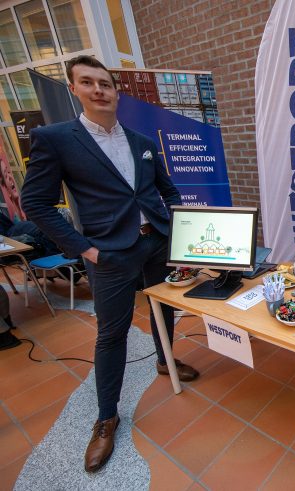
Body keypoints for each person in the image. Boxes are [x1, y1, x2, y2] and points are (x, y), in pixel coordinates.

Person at [21, 55, 199, 473]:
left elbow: (168, 191)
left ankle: (165, 360)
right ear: (74, 89)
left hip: (155, 242)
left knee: (163, 307)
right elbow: (36, 204)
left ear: (116, 92)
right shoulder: (56, 139)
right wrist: (85, 250)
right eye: (88, 82)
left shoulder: (142, 142)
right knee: (111, 334)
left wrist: (175, 227)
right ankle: (106, 418)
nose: (99, 90)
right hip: (108, 253)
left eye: (105, 83)